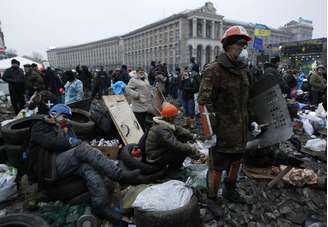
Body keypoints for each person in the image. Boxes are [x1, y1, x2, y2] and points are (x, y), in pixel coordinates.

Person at [27, 104, 140, 223]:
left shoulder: (64, 127)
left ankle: (100, 206)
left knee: (87, 167)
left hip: (63, 162)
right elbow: (52, 143)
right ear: (54, 114)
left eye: (67, 118)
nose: (66, 120)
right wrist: (70, 139)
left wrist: (68, 132)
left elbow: (73, 142)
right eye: (64, 117)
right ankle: (118, 174)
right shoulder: (40, 125)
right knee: (83, 148)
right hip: (48, 166)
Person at [198, 25, 253, 203]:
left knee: (237, 161)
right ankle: (212, 197)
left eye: (245, 45)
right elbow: (204, 102)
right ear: (228, 45)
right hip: (222, 130)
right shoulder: (214, 70)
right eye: (239, 44)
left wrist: (253, 120)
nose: (243, 48)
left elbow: (249, 97)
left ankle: (230, 189)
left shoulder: (244, 70)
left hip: (241, 129)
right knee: (218, 167)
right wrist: (209, 132)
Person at [145, 103, 201, 170]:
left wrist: (192, 136)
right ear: (170, 117)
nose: (176, 118)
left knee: (182, 137)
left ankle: (193, 158)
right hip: (155, 157)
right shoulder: (161, 129)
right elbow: (175, 144)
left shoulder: (165, 122)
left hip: (160, 150)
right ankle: (174, 170)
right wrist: (191, 149)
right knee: (182, 151)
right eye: (174, 116)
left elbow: (178, 129)